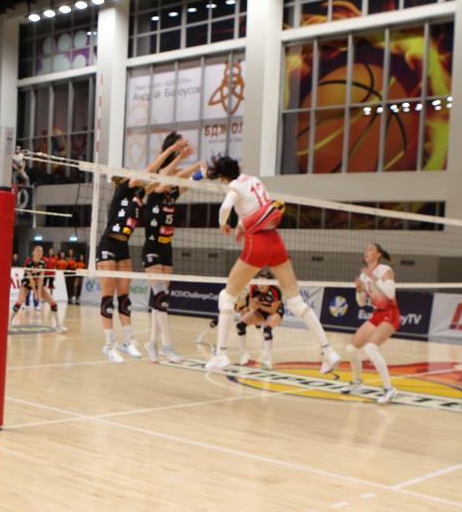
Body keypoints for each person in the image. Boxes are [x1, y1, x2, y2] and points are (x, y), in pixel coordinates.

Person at [203, 156, 340, 374]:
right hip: (276, 241)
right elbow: (260, 209)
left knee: (226, 297)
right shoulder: (254, 180)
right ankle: (329, 351)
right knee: (296, 301)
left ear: (223, 176)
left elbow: (226, 207)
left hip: (257, 243)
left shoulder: (234, 186)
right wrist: (241, 225)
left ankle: (221, 355)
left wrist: (223, 224)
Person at [96, 136, 188, 363]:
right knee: (108, 296)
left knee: (124, 297)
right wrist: (171, 149)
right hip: (108, 243)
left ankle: (128, 340)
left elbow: (161, 175)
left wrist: (179, 158)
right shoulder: (122, 190)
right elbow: (151, 170)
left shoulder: (140, 194)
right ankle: (109, 344)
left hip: (123, 246)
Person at [142, 138, 198, 364]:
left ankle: (152, 343)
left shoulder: (171, 195)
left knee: (160, 300)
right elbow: (169, 175)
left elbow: (186, 179)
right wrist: (180, 156)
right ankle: (167, 346)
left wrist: (202, 168)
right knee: (161, 297)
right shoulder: (154, 192)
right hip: (152, 248)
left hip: (167, 248)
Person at [341, 243, 400, 404]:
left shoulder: (385, 270)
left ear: (378, 254)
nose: (366, 252)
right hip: (377, 314)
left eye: (370, 250)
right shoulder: (364, 276)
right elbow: (361, 303)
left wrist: (373, 277)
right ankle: (357, 382)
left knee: (370, 348)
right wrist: (359, 289)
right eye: (366, 250)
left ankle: (389, 389)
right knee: (351, 349)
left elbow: (390, 294)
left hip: (390, 314)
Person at [11, 244, 64, 331]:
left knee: (53, 303)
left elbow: (40, 279)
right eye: (37, 251)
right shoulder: (28, 262)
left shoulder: (43, 263)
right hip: (27, 283)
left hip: (37, 284)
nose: (39, 252)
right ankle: (9, 322)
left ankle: (58, 325)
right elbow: (31, 279)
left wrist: (39, 293)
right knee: (20, 301)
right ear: (33, 252)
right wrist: (35, 293)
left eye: (41, 251)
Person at [239, 272, 283, 368]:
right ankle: (243, 354)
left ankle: (268, 360)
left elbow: (272, 310)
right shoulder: (253, 288)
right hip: (260, 311)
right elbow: (252, 306)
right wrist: (253, 305)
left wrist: (259, 305)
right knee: (240, 325)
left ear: (269, 283)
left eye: (264, 283)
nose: (260, 285)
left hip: (275, 312)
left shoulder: (275, 291)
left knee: (267, 330)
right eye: (259, 282)